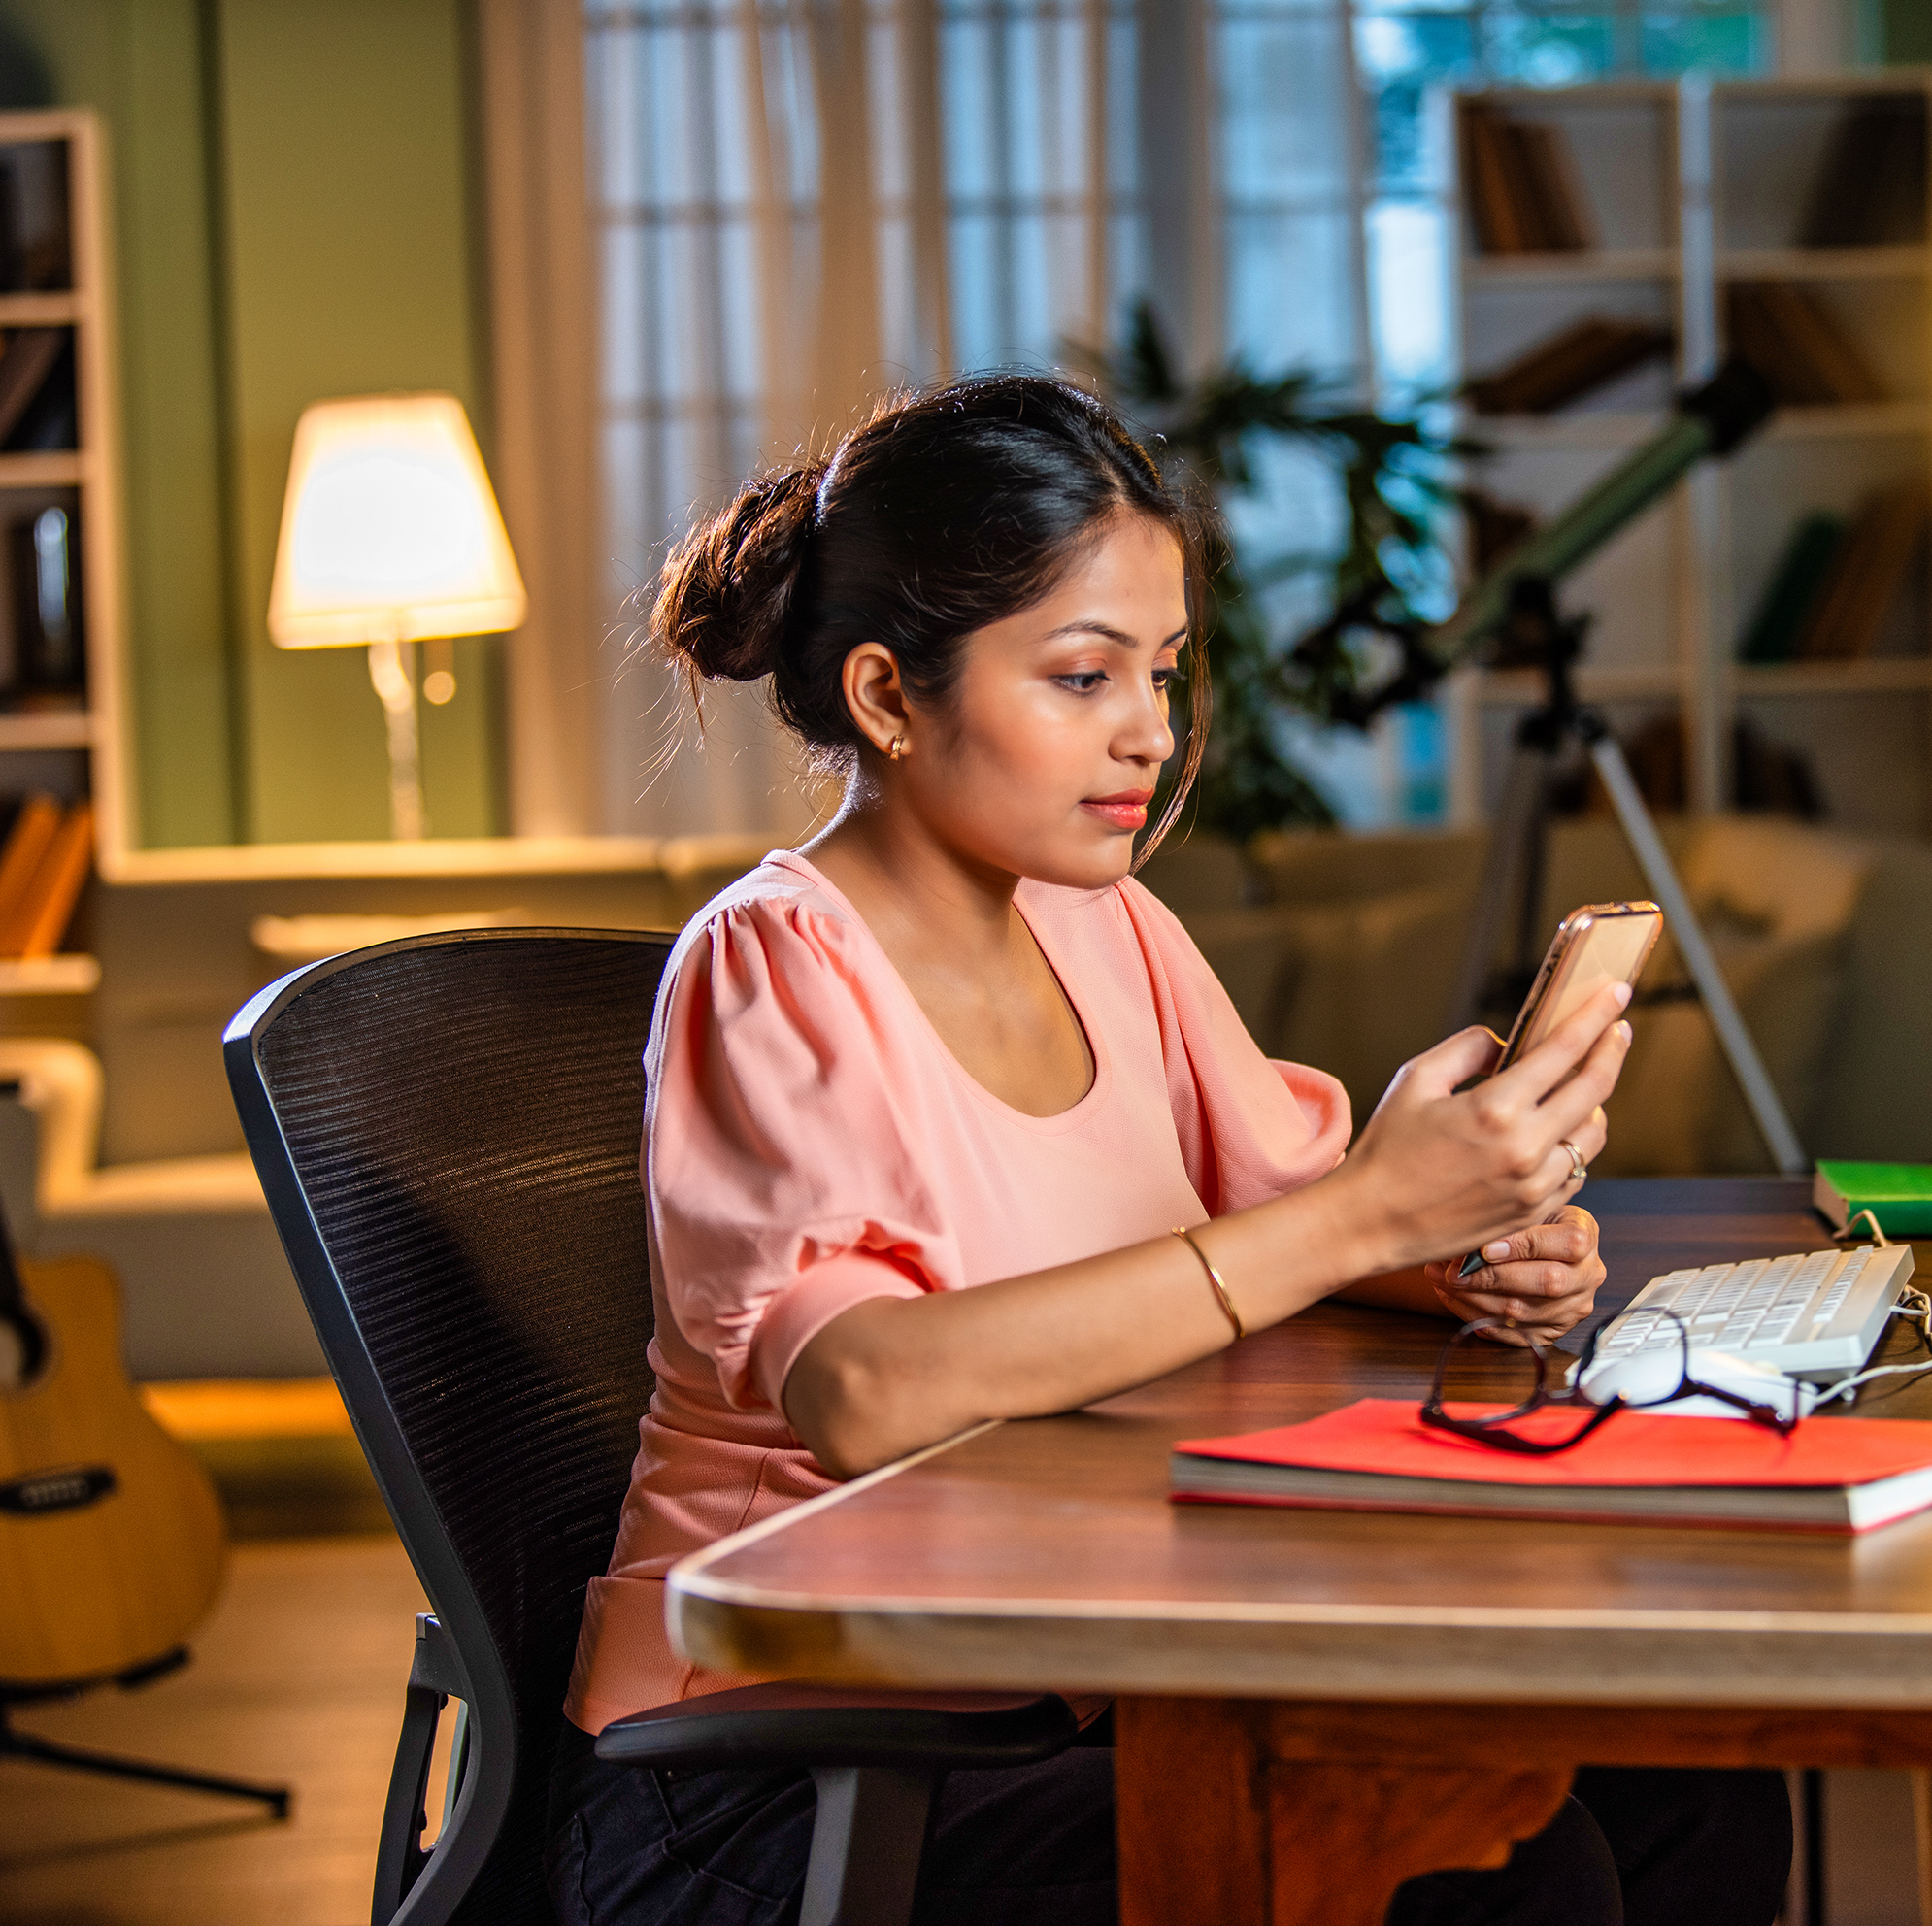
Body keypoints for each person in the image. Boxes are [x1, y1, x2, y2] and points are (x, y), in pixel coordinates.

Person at [548, 375, 1791, 1924]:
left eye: (1166, 670)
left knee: (1685, 1772)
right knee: (1498, 1885)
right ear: (886, 697)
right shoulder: (773, 964)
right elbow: (867, 1390)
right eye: (1083, 676)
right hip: (778, 1773)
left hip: (1063, 1687)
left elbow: (1300, 1224)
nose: (1150, 731)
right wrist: (1361, 1224)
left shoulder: (1110, 923)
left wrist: (1464, 1249)